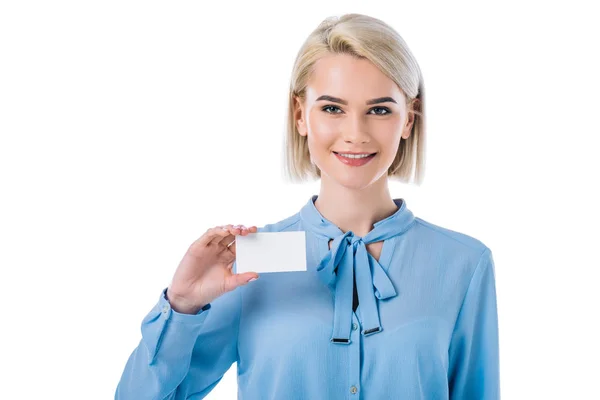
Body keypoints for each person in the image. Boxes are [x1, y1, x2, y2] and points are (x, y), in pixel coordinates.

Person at [115, 13, 500, 400]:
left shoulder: (463, 264)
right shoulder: (255, 258)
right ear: (300, 115)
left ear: (408, 120)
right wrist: (181, 307)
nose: (355, 133)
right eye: (332, 108)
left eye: (380, 109)